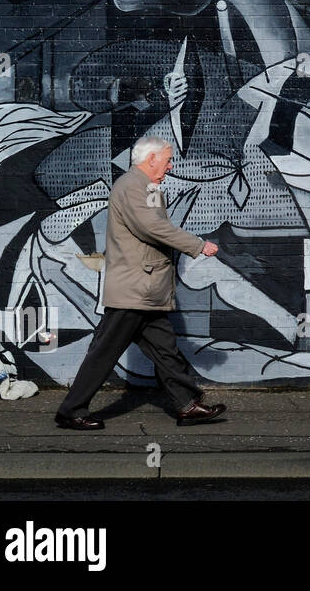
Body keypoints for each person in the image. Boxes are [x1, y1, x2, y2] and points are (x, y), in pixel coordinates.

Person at [55, 135, 226, 430]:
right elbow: (153, 227)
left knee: (165, 350)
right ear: (151, 159)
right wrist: (197, 245)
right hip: (135, 288)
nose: (171, 166)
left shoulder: (143, 187)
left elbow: (153, 226)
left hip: (145, 290)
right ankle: (71, 411)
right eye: (168, 159)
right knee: (104, 352)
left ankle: (187, 406)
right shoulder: (136, 186)